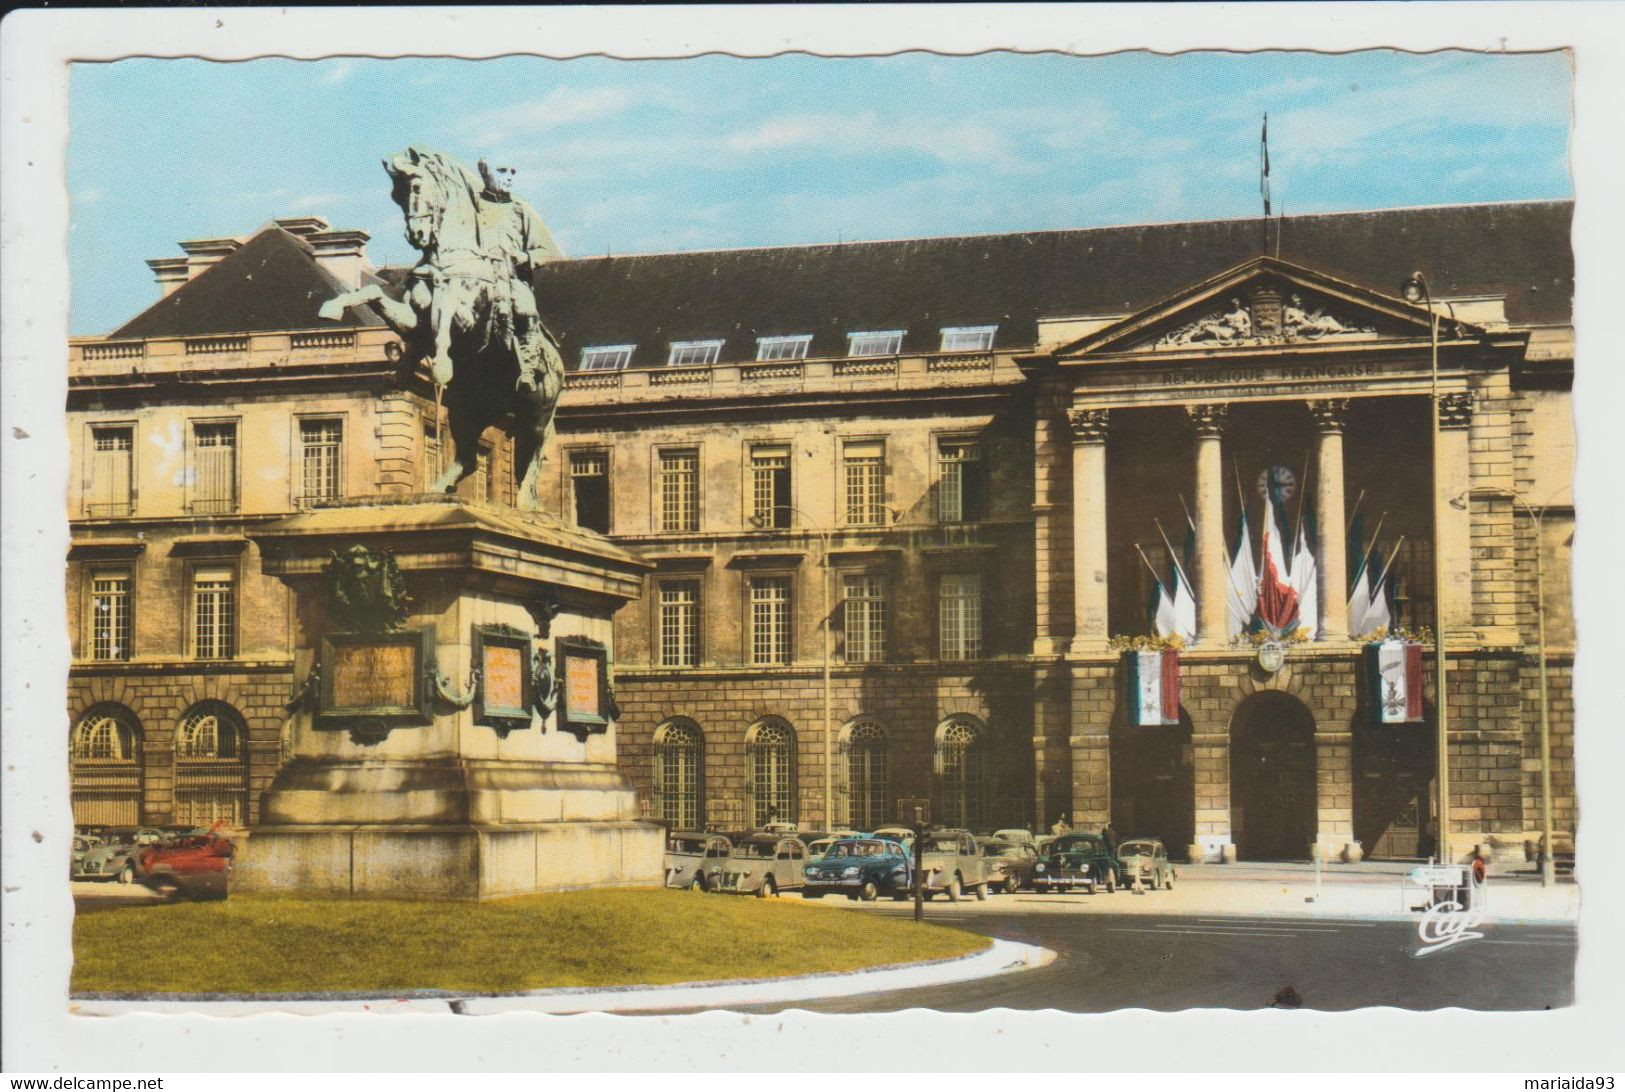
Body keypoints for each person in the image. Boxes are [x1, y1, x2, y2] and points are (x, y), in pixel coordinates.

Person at [474, 159, 566, 395]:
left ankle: (526, 367)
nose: (509, 177)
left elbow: (547, 251)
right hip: (474, 279)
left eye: (512, 171)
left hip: (511, 279)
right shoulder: (470, 206)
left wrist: (524, 257)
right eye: (502, 170)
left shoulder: (520, 209)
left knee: (524, 308)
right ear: (484, 172)